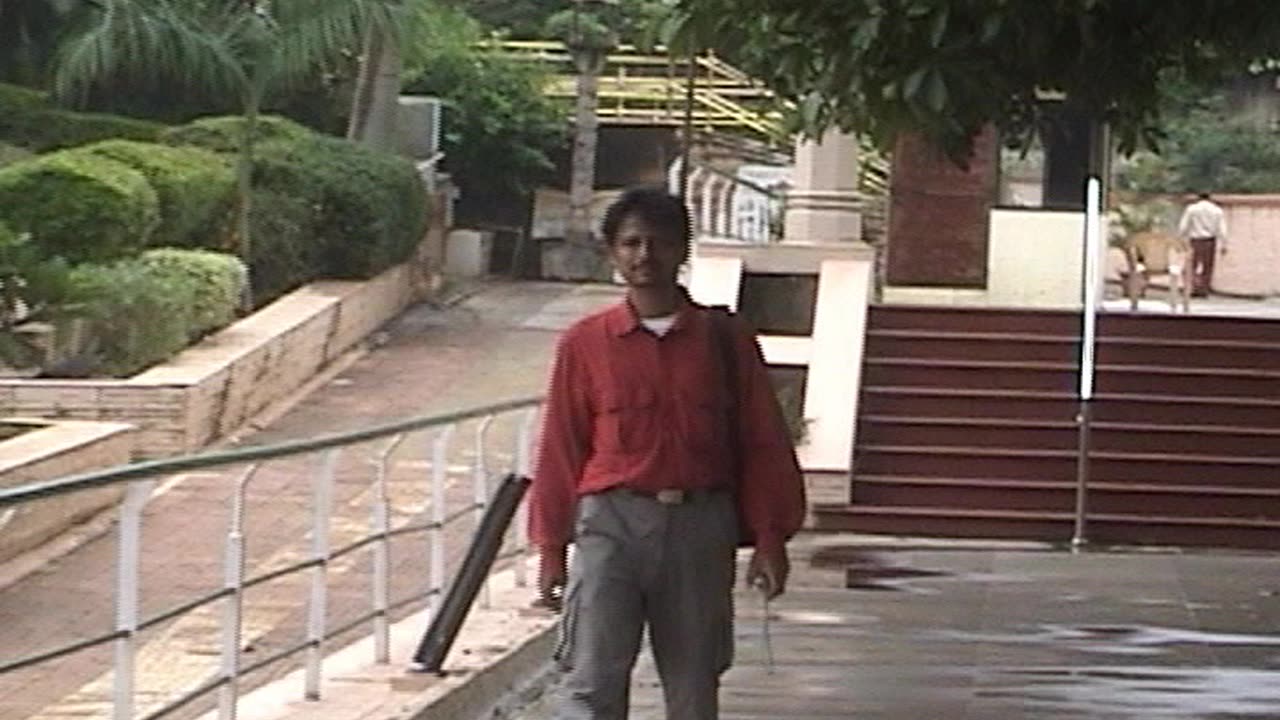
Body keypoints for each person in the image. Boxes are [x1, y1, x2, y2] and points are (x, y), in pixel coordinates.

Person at [529, 186, 807, 720]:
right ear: (613, 252)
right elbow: (562, 446)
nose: (644, 255)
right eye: (630, 243)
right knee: (591, 681)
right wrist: (549, 546)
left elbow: (762, 441)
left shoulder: (725, 341)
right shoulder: (585, 344)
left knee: (694, 684)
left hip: (700, 528)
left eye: (659, 242)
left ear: (683, 250)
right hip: (610, 524)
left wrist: (771, 538)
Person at [1177, 191, 1228, 297]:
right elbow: (1222, 228)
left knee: (1191, 265)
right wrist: (1224, 243)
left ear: (1198, 198)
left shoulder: (1192, 209)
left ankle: (1192, 287)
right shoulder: (1217, 210)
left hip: (1195, 240)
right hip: (1210, 240)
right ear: (1209, 198)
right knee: (1207, 266)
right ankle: (1204, 289)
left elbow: (1184, 225)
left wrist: (1180, 237)